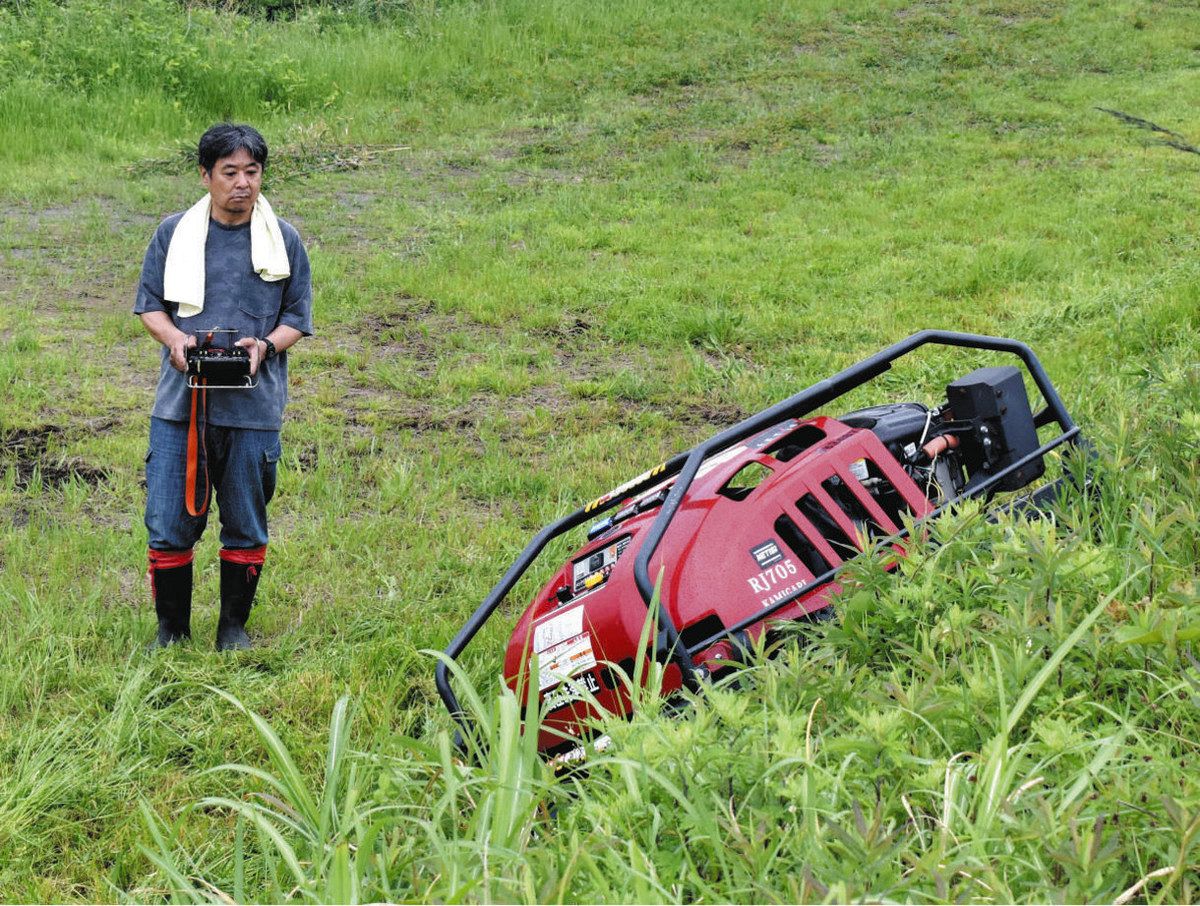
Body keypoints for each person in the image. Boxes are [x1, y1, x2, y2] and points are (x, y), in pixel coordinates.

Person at [134, 123, 312, 651]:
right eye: (229, 172)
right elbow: (150, 305)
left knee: (246, 522)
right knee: (168, 521)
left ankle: (232, 630)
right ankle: (171, 633)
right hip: (179, 406)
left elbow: (297, 317)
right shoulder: (173, 233)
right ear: (205, 175)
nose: (242, 183)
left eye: (252, 172)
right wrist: (175, 340)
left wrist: (265, 347)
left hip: (253, 408)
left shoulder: (285, 239)